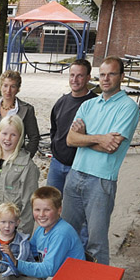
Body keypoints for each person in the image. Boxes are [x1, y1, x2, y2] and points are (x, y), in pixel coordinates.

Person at [63, 56, 140, 265]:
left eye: (111, 74)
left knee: (96, 242)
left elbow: (111, 146)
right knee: (66, 235)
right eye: (102, 74)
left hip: (101, 181)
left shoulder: (128, 108)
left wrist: (85, 137)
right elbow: (70, 139)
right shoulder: (88, 105)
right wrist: (99, 137)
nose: (105, 79)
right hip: (75, 174)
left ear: (121, 77)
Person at [0, 114, 40, 236]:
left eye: (13, 135)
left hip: (13, 225)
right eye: (4, 133)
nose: (8, 139)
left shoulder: (26, 166)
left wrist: (22, 236)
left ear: (20, 137)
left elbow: (28, 204)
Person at [47, 59, 97, 192]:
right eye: (72, 75)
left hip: (80, 168)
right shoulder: (61, 102)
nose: (75, 79)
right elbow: (54, 130)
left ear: (88, 78)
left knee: (72, 210)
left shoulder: (95, 104)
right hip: (56, 164)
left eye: (80, 75)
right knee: (51, 206)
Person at [0, 69, 40, 157]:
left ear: (17, 89)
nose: (8, 90)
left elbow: (34, 138)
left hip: (14, 158)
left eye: (12, 86)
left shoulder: (26, 110)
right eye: (5, 86)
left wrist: (25, 158)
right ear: (0, 86)